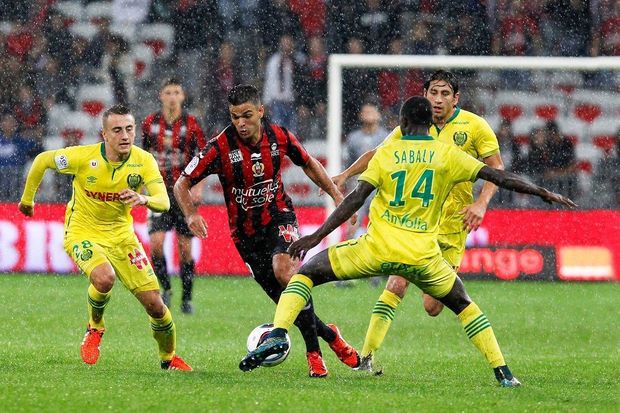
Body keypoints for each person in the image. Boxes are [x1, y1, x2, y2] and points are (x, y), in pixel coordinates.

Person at [239, 96, 576, 386]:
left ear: (401, 122)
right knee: (464, 305)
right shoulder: (448, 154)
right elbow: (498, 175)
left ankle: (279, 333)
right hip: (422, 256)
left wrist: (316, 235)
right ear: (431, 123)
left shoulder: (388, 153)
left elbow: (356, 198)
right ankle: (503, 372)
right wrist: (542, 192)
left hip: (376, 250)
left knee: (306, 275)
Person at [174, 84, 359, 377]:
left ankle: (314, 355)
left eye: (247, 115)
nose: (241, 123)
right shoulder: (220, 146)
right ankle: (331, 335)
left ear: (260, 111)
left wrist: (337, 196)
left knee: (286, 272)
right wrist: (191, 214)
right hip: (245, 236)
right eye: (235, 117)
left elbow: (309, 163)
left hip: (279, 217)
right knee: (288, 303)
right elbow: (181, 183)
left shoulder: (280, 136)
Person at [331, 70, 506, 371]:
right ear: (424, 94)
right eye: (433, 93)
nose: (438, 100)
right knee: (396, 284)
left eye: (445, 94)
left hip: (452, 226)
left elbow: (497, 169)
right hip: (415, 226)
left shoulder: (475, 127)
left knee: (433, 306)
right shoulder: (410, 126)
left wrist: (480, 203)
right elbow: (377, 154)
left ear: (456, 98)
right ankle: (366, 357)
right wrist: (346, 175)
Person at [18, 104, 192, 371]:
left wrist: (142, 198)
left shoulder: (143, 160)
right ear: (105, 134)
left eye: (129, 129)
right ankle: (95, 327)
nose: (125, 135)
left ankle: (168, 358)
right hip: (82, 231)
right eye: (118, 130)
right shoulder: (83, 157)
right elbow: (42, 160)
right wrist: (27, 200)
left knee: (156, 306)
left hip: (122, 236)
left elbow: (163, 201)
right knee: (104, 277)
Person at [141, 78, 207, 314]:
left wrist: (198, 186)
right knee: (156, 244)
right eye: (168, 92)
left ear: (182, 96)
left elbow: (204, 156)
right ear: (161, 95)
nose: (171, 96)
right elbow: (142, 154)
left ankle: (187, 298)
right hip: (158, 191)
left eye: (176, 92)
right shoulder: (150, 123)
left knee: (185, 248)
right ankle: (166, 289)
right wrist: (139, 182)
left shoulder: (192, 124)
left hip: (183, 193)